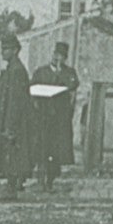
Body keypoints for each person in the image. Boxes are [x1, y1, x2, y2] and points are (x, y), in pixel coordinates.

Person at [30, 41, 80, 191]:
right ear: (52, 54)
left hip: (59, 119)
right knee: (41, 149)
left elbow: (72, 87)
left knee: (55, 151)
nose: (58, 58)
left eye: (62, 56)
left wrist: (59, 74)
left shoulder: (69, 73)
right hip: (43, 117)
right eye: (56, 55)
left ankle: (50, 181)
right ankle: (40, 180)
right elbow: (32, 89)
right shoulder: (41, 72)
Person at [0, 33, 32, 201]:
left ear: (15, 50)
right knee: (10, 154)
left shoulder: (17, 70)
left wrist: (11, 126)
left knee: (13, 154)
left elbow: (16, 101)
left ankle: (11, 189)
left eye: (6, 49)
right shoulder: (12, 68)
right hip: (8, 118)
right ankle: (11, 187)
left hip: (14, 120)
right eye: (2, 49)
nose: (3, 52)